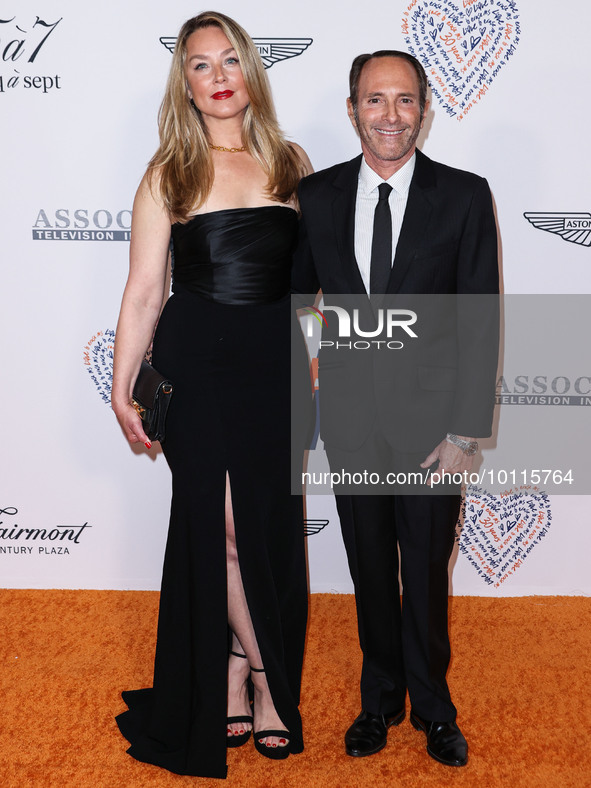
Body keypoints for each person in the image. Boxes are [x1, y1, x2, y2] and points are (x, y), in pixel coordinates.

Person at [111, 11, 312, 779]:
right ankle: (266, 679)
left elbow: (308, 285)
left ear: (250, 72)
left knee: (257, 524)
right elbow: (142, 292)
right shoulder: (169, 171)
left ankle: (231, 663)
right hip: (196, 363)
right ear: (185, 85)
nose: (218, 75)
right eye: (201, 65)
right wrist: (124, 386)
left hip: (272, 365)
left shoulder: (291, 161)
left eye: (230, 60)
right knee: (220, 527)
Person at [292, 51, 499, 767]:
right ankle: (377, 701)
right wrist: (321, 375)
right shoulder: (314, 197)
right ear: (352, 109)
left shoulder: (465, 195)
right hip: (351, 423)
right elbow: (300, 307)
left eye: (403, 100)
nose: (389, 114)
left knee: (425, 566)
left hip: (432, 430)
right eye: (374, 100)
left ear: (423, 109)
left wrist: (466, 430)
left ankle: (433, 708)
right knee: (370, 565)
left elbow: (479, 319)